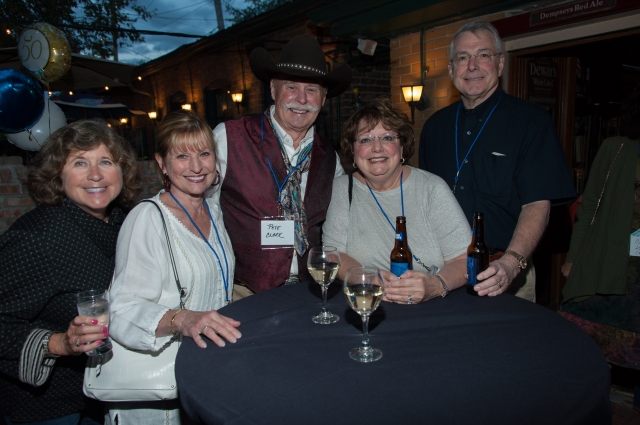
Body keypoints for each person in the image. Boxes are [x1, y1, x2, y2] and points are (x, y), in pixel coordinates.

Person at [419, 21, 575, 300]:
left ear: (500, 64)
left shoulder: (531, 121)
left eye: (483, 55)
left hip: (503, 274)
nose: (473, 66)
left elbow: (537, 203)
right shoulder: (434, 127)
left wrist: (511, 263)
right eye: (463, 58)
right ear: (452, 69)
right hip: (442, 274)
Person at [0, 120, 141, 425]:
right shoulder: (39, 236)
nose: (95, 174)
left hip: (108, 392)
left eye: (106, 161)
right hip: (51, 407)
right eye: (80, 162)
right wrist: (60, 343)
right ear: (57, 175)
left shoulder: (125, 223)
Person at [107, 111, 241, 424]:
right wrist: (182, 318)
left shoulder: (213, 210)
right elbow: (122, 310)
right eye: (182, 156)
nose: (196, 167)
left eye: (204, 154)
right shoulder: (147, 219)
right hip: (161, 389)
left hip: (204, 373)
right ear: (162, 163)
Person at [210, 35, 352, 299]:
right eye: (291, 87)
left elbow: (341, 224)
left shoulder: (330, 158)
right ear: (273, 89)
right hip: (243, 289)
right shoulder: (228, 137)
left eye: (312, 90)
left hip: (309, 290)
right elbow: (204, 211)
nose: (301, 99)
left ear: (323, 98)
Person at [323, 97, 470, 304]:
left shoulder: (431, 188)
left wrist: (436, 285)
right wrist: (367, 279)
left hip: (434, 307)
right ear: (353, 152)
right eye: (365, 139)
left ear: (401, 148)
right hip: (368, 304)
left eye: (387, 138)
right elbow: (333, 254)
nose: (377, 148)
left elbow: (465, 259)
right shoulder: (342, 189)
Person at [559, 86, 640, 376]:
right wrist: (574, 257)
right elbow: (589, 206)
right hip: (610, 261)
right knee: (593, 344)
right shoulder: (615, 148)